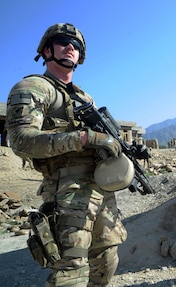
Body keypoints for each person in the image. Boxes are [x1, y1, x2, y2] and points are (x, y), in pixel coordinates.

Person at [5, 23, 127, 287]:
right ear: (47, 50)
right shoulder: (33, 87)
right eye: (63, 42)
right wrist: (84, 138)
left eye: (77, 46)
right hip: (66, 192)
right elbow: (21, 141)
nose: (71, 47)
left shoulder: (84, 97)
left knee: (107, 262)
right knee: (70, 274)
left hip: (100, 192)